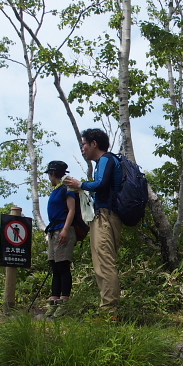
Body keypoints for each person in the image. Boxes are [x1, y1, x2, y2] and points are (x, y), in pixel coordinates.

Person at [64, 128, 122, 318]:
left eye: (84, 144)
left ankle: (109, 313)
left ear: (94, 144)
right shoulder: (103, 162)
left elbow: (101, 184)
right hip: (106, 215)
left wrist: (79, 185)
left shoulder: (106, 159)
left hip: (105, 216)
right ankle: (108, 310)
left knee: (104, 263)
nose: (82, 149)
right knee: (102, 262)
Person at [44, 160, 79, 319]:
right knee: (55, 267)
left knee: (63, 266)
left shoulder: (66, 188)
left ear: (52, 174)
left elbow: (71, 210)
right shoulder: (55, 190)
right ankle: (54, 300)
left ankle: (64, 302)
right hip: (53, 231)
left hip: (63, 230)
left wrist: (65, 229)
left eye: (49, 174)